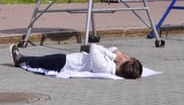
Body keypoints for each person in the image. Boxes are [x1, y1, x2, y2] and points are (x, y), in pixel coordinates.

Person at [9, 43, 143, 79]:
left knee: (40, 61)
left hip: (65, 63)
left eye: (126, 58)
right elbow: (106, 50)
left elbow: (95, 47)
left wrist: (114, 56)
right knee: (43, 60)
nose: (124, 55)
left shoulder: (104, 67)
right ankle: (22, 59)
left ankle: (20, 59)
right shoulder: (110, 66)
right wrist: (115, 51)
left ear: (122, 64)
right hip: (68, 60)